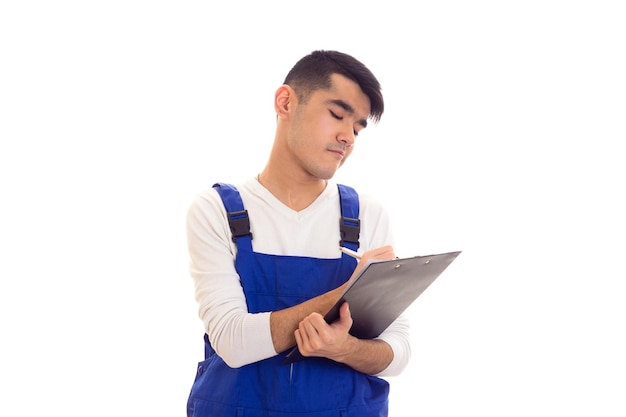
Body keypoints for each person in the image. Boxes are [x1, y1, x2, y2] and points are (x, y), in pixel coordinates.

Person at [186, 50, 411, 417]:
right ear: (285, 101)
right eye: (337, 115)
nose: (347, 137)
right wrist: (348, 292)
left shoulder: (368, 215)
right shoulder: (217, 211)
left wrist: (343, 348)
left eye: (356, 128)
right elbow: (233, 340)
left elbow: (397, 350)